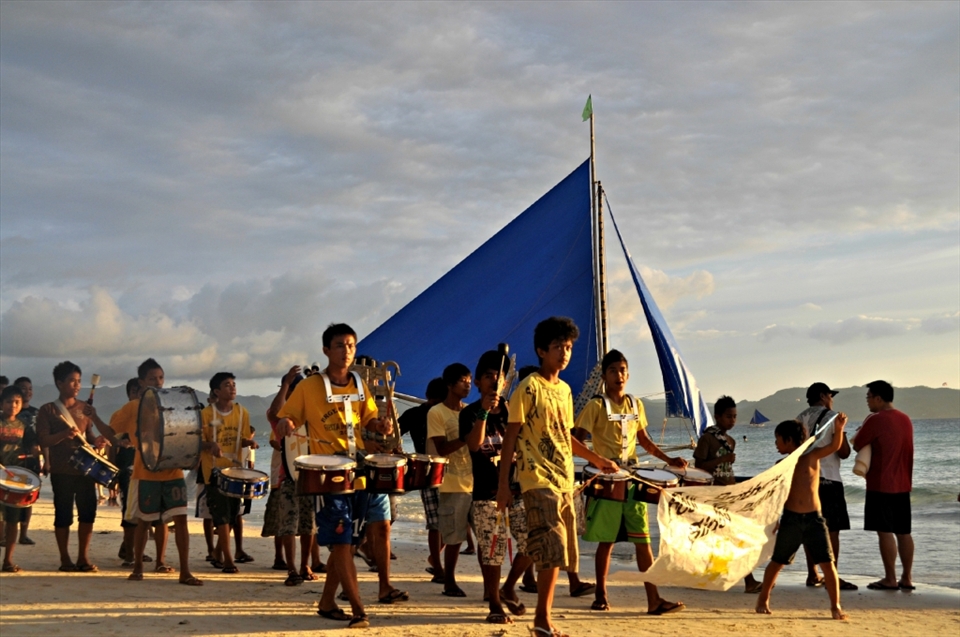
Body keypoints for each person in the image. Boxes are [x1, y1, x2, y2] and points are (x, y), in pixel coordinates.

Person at [497, 317, 617, 637]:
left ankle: (517, 596)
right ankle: (541, 620)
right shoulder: (528, 388)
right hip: (536, 478)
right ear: (541, 350)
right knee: (553, 547)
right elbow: (511, 437)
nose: (564, 353)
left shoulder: (564, 390)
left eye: (568, 347)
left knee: (550, 548)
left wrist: (598, 459)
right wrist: (503, 487)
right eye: (557, 347)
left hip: (564, 480)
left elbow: (566, 436)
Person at [275, 323, 396, 629]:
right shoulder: (309, 387)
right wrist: (286, 425)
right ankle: (358, 609)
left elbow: (368, 420)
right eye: (340, 345)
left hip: (358, 472)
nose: (347, 351)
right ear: (327, 350)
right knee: (342, 543)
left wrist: (380, 428)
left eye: (351, 345)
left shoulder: (358, 383)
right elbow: (287, 417)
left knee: (348, 542)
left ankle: (327, 602)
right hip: (327, 475)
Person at [575, 349, 686, 615]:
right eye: (613, 370)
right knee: (607, 541)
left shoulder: (636, 405)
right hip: (608, 479)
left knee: (642, 540)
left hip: (633, 478)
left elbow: (644, 441)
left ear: (628, 374)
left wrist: (669, 460)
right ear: (604, 376)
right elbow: (576, 440)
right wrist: (599, 461)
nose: (619, 375)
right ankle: (601, 593)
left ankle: (654, 599)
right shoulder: (596, 405)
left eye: (623, 370)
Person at [102, 358, 200, 585]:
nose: (158, 382)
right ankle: (137, 567)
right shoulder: (132, 407)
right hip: (144, 472)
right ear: (142, 382)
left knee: (180, 520)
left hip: (173, 471)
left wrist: (193, 455)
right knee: (144, 522)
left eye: (161, 377)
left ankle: (184, 571)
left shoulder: (174, 403)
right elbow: (111, 434)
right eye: (152, 378)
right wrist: (94, 416)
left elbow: (187, 434)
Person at [460, 350, 533, 624]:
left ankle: (509, 586)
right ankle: (493, 602)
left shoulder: (514, 410)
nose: (493, 381)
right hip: (486, 492)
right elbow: (475, 445)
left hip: (517, 488)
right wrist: (483, 412)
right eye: (488, 376)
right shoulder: (469, 412)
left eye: (498, 377)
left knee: (532, 542)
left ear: (504, 382)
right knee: (493, 550)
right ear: (478, 382)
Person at [756, 418, 848, 620]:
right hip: (790, 520)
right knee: (777, 562)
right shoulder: (781, 465)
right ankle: (763, 598)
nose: (775, 443)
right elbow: (777, 495)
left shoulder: (812, 456)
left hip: (814, 520)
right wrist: (774, 518)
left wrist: (839, 429)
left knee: (827, 563)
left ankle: (836, 605)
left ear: (789, 440)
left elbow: (834, 445)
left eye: (777, 439)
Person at [35, 361, 111, 572]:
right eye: (72, 381)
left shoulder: (85, 410)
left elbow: (90, 437)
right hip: (61, 470)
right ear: (59, 383)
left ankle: (83, 558)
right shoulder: (48, 410)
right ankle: (65, 559)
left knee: (88, 514)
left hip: (85, 471)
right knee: (63, 515)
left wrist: (98, 442)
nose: (77, 385)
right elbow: (43, 440)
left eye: (79, 381)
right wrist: (63, 435)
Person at [694, 395, 762, 593]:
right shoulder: (707, 439)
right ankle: (748, 581)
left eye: (734, 416)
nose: (732, 420)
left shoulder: (731, 441)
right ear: (717, 417)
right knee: (729, 535)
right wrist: (721, 459)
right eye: (728, 416)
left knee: (723, 536)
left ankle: (708, 575)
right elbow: (699, 466)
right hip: (713, 493)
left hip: (729, 492)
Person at [853, 380, 915, 591]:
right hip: (903, 483)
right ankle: (907, 578)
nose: (868, 402)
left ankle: (890, 578)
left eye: (869, 397)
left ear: (878, 398)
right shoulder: (905, 419)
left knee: (884, 532)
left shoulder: (875, 419)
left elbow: (857, 443)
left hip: (881, 484)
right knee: (904, 532)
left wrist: (862, 430)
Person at [264, 365, 322, 586]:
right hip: (287, 478)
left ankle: (305, 565)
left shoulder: (312, 415)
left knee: (308, 525)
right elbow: (272, 412)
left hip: (311, 477)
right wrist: (286, 384)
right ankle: (291, 568)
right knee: (289, 524)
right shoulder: (282, 419)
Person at [797, 383, 856, 591]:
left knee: (809, 528)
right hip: (829, 478)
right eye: (830, 395)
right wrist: (844, 433)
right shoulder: (833, 417)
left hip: (806, 479)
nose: (832, 399)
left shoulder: (799, 418)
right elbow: (844, 452)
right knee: (832, 530)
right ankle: (833, 576)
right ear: (823, 396)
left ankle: (813, 574)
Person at [199, 372, 258, 574]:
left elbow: (240, 440)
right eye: (227, 385)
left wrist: (249, 442)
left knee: (232, 516)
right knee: (222, 517)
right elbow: (196, 442)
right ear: (216, 391)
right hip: (214, 472)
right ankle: (228, 560)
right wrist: (210, 445)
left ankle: (217, 552)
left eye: (234, 384)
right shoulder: (206, 414)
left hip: (236, 471)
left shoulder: (242, 412)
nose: (232, 388)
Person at [427, 362, 474, 598]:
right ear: (449, 384)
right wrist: (467, 438)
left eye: (469, 380)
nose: (467, 385)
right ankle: (449, 580)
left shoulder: (469, 411)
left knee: (483, 536)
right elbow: (442, 448)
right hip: (450, 483)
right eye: (462, 381)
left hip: (474, 481)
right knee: (454, 536)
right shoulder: (437, 413)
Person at [398, 377, 447, 580]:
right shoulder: (423, 413)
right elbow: (395, 434)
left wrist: (399, 452)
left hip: (434, 469)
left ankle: (435, 560)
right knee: (438, 522)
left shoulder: (416, 413)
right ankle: (436, 563)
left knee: (441, 522)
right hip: (431, 469)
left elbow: (394, 436)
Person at [114, 378, 152, 567]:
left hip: (146, 470)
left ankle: (135, 551)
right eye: (137, 392)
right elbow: (111, 442)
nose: (140, 396)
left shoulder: (150, 415)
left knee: (144, 513)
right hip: (127, 469)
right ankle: (130, 555)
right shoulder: (123, 415)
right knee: (130, 515)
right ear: (130, 394)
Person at [1, 385, 40, 572]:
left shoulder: (23, 426)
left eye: (17, 402)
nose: (13, 405)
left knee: (13, 521)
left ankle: (8, 560)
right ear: (2, 404)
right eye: (9, 401)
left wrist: (35, 450)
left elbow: (32, 443)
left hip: (14, 478)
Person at [11, 377, 40, 545]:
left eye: (30, 388)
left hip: (31, 461)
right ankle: (8, 533)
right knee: (10, 498)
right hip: (12, 461)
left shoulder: (37, 413)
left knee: (28, 498)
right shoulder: (11, 413)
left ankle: (24, 533)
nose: (27, 391)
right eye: (23, 388)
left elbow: (40, 438)